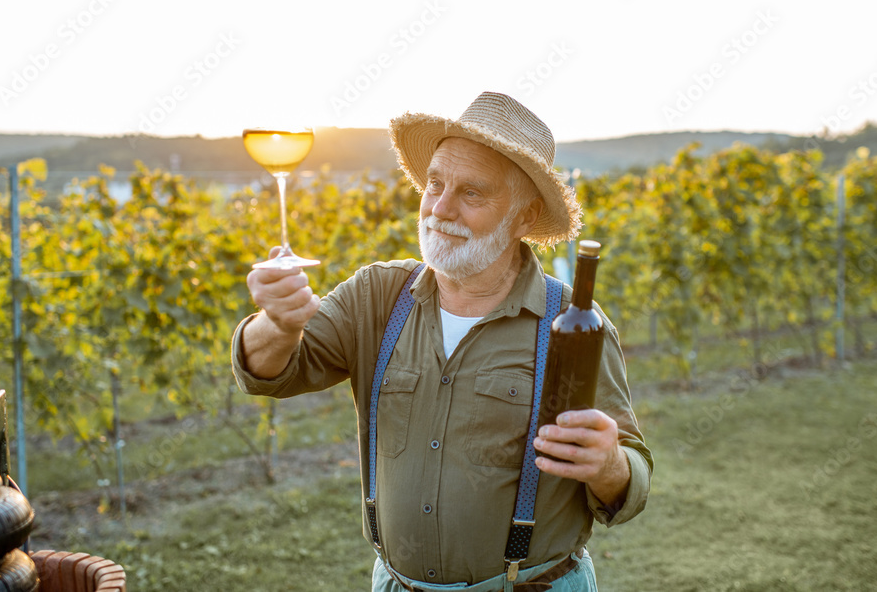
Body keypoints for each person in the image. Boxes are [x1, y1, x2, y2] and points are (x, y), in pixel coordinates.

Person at [231, 91, 653, 591]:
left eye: (472, 193)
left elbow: (632, 470)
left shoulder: (569, 323)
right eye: (434, 183)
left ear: (524, 216)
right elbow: (269, 373)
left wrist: (608, 465)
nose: (441, 208)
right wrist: (278, 323)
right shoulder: (378, 295)